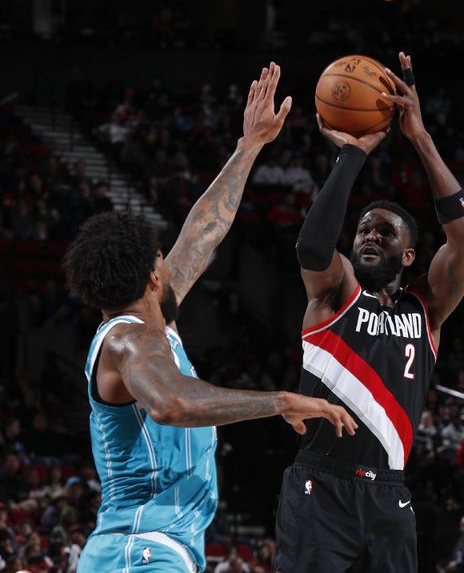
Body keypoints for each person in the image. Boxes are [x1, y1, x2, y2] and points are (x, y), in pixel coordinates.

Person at [65, 64, 357, 573]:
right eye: (162, 259)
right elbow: (172, 402)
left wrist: (250, 146)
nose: (170, 260)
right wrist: (281, 400)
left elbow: (201, 234)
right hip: (142, 552)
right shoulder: (132, 344)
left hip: (143, 550)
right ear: (152, 279)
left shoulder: (148, 317)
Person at [275, 52, 464, 573]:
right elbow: (312, 250)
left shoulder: (426, 310)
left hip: (391, 495)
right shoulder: (336, 294)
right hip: (321, 482)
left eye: (385, 232)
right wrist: (353, 155)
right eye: (364, 229)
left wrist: (420, 138)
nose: (369, 235)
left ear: (409, 255)